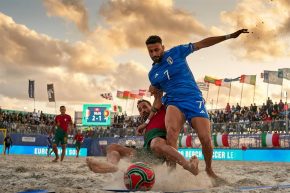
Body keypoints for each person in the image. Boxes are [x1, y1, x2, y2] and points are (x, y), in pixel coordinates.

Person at [142, 29, 249, 178]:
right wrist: (147, 121)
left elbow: (203, 43)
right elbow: (158, 100)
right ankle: (172, 174)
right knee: (171, 134)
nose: (154, 54)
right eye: (150, 51)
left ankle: (209, 170)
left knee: (205, 138)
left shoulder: (177, 52)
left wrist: (229, 36)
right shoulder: (152, 74)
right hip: (173, 102)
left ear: (163, 47)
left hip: (193, 99)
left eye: (156, 50)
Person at [87, 94, 199, 176]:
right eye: (140, 109)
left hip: (158, 150)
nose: (142, 110)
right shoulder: (144, 127)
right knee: (112, 147)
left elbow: (159, 98)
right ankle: (112, 166)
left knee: (155, 143)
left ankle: (188, 165)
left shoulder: (162, 111)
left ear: (153, 107)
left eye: (145, 106)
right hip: (146, 154)